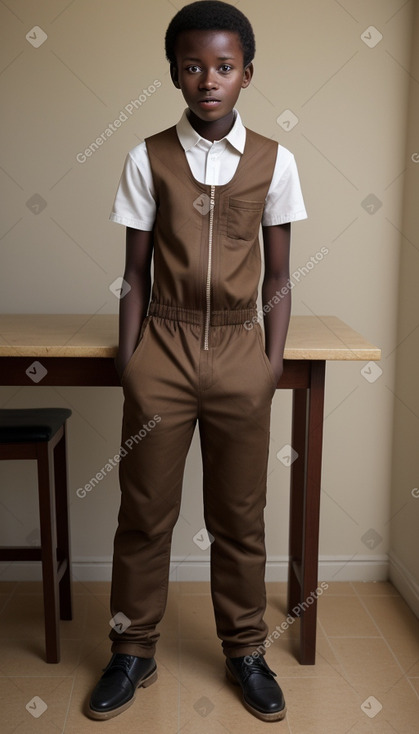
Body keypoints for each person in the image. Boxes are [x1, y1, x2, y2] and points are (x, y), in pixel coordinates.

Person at [88, 0, 307, 723]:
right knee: (144, 514)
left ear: (246, 73)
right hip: (164, 352)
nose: (207, 78)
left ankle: (246, 651)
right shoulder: (145, 156)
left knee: (240, 517)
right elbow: (134, 273)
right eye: (192, 66)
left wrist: (269, 363)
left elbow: (278, 277)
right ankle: (131, 652)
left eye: (223, 66)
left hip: (243, 356)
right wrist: (132, 362)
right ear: (175, 74)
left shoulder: (275, 159)